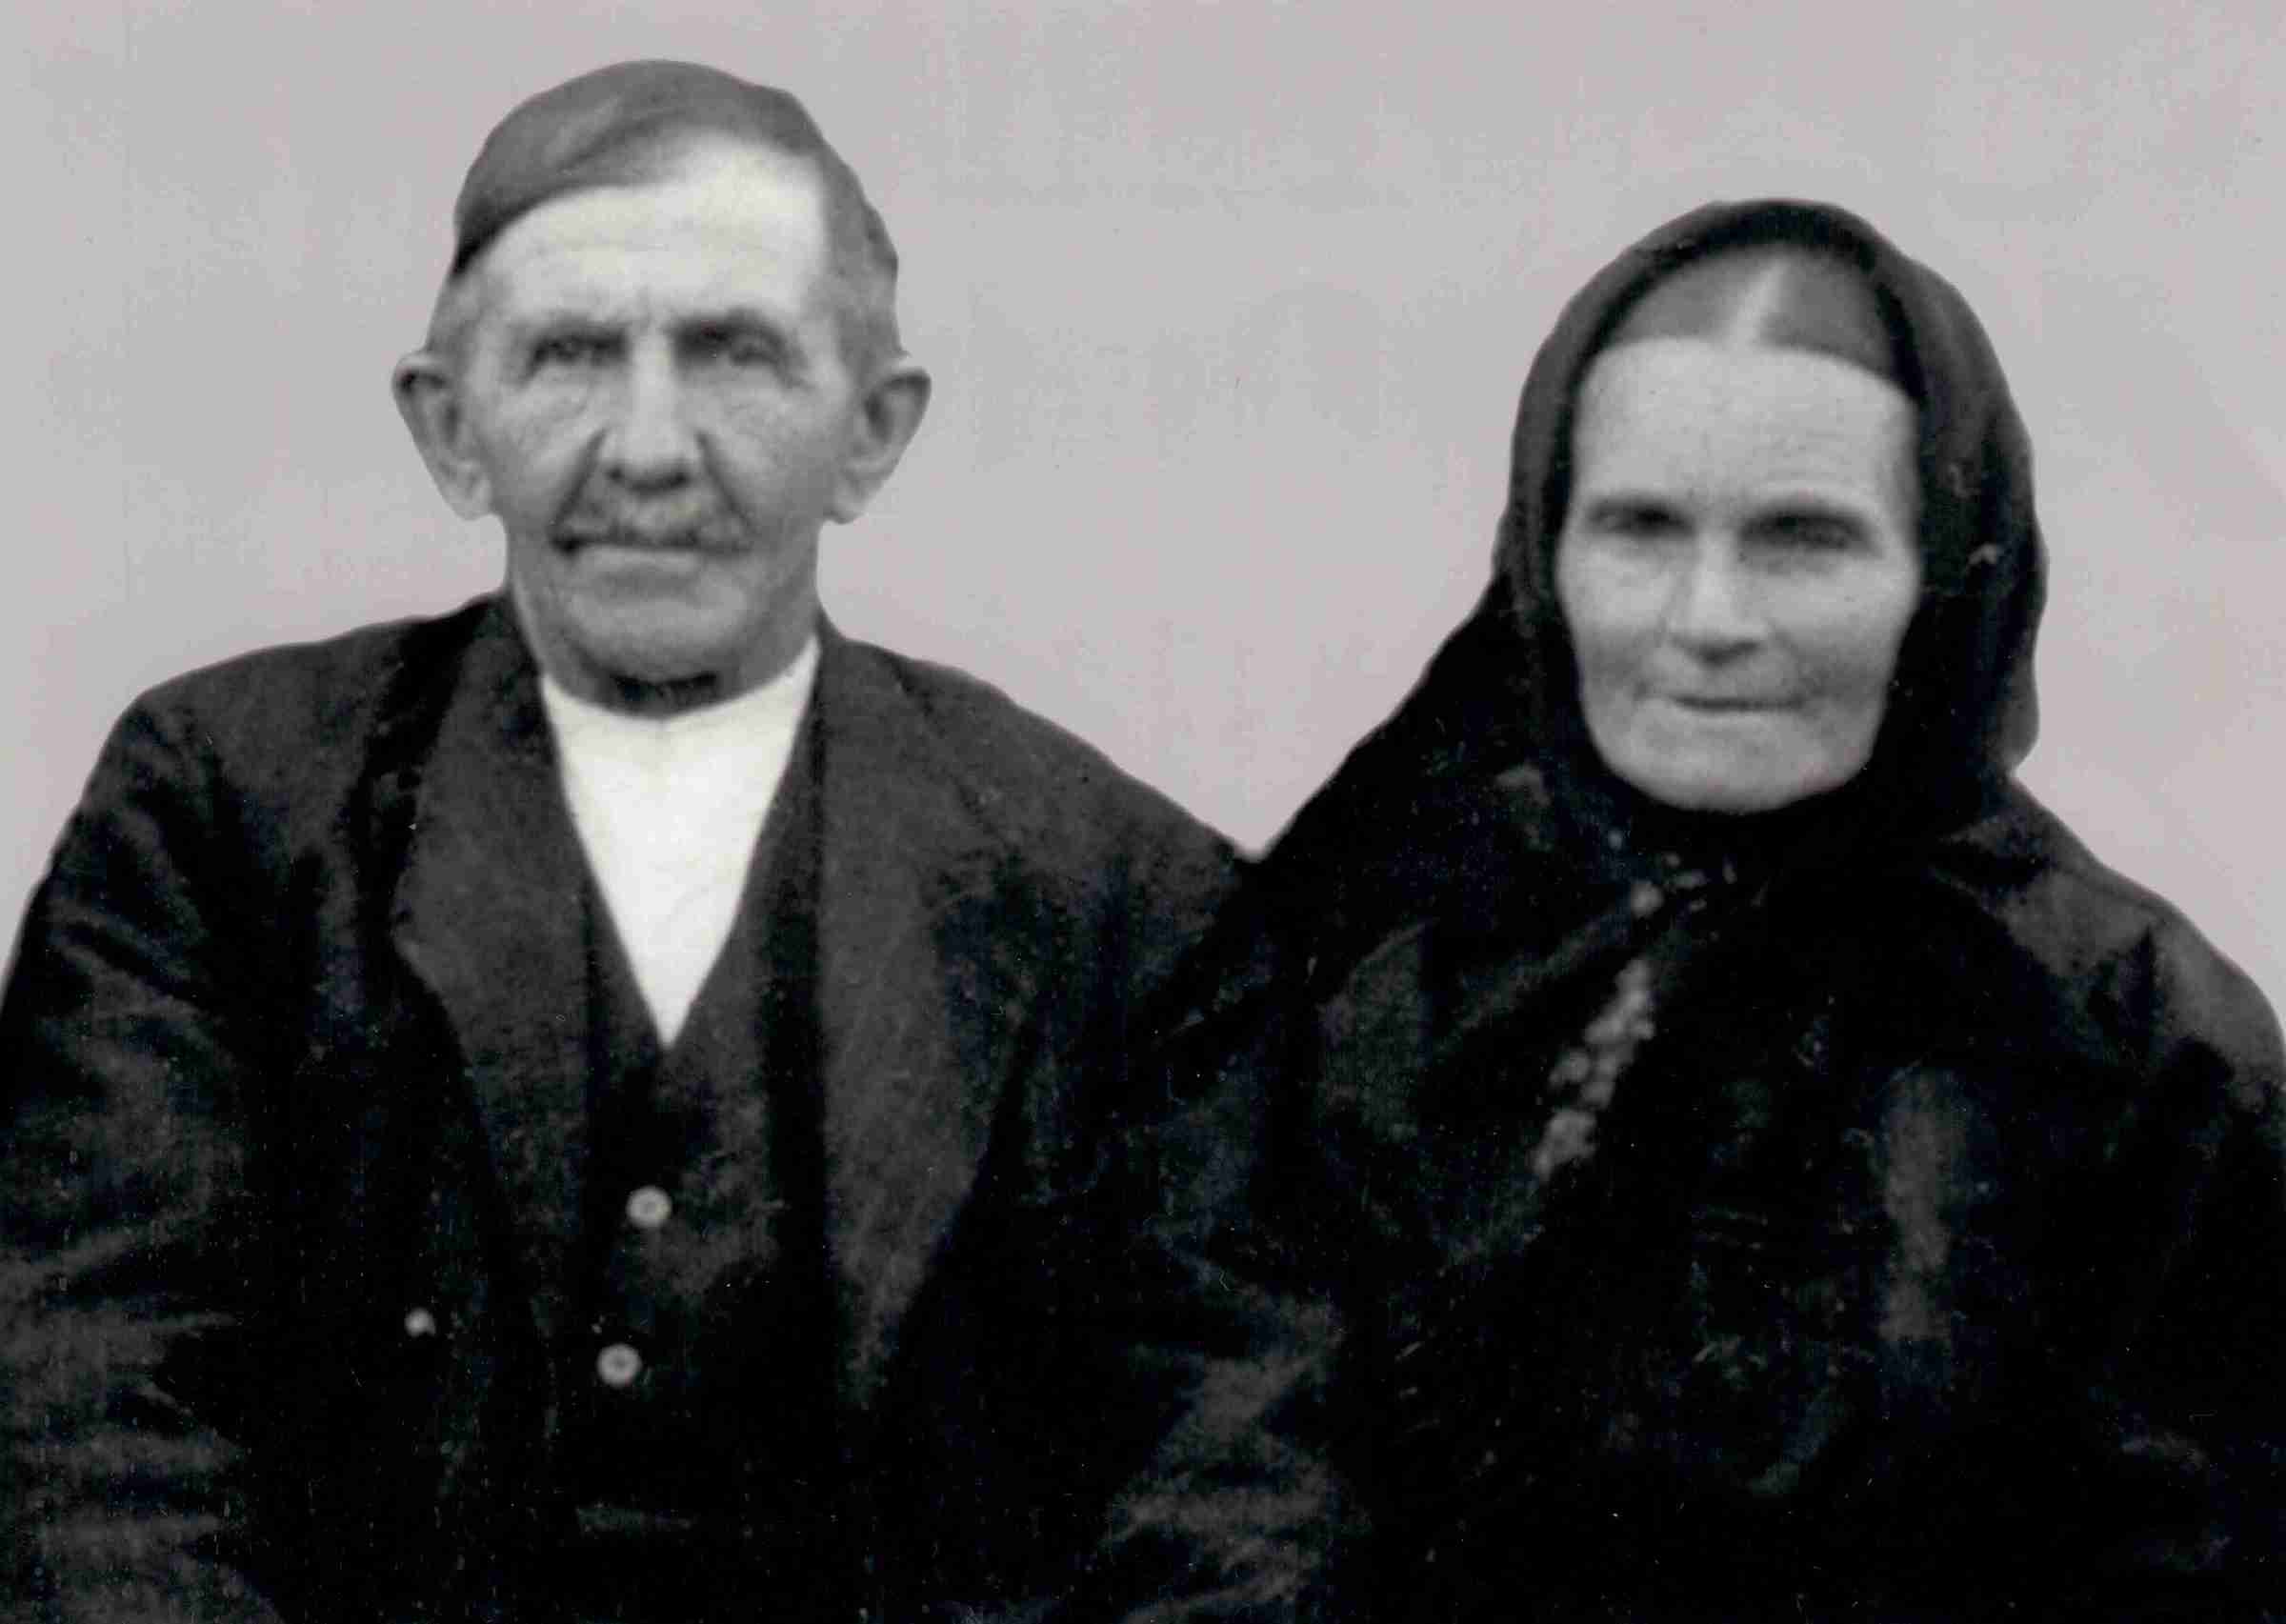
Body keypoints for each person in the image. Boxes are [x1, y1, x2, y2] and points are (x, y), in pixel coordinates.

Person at [0, 61, 1251, 1623]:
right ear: (452, 430)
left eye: (735, 354)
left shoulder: (1124, 894)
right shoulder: (223, 814)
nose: (650, 448)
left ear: (872, 433)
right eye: (572, 355)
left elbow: (1234, 1487)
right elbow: (90, 1410)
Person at [1201, 198, 2286, 1619]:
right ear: (1543, 555)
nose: (1707, 618)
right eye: (1639, 528)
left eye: (1802, 540)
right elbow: (1219, 1462)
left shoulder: (2136, 1042)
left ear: (1947, 575)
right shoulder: (1385, 960)